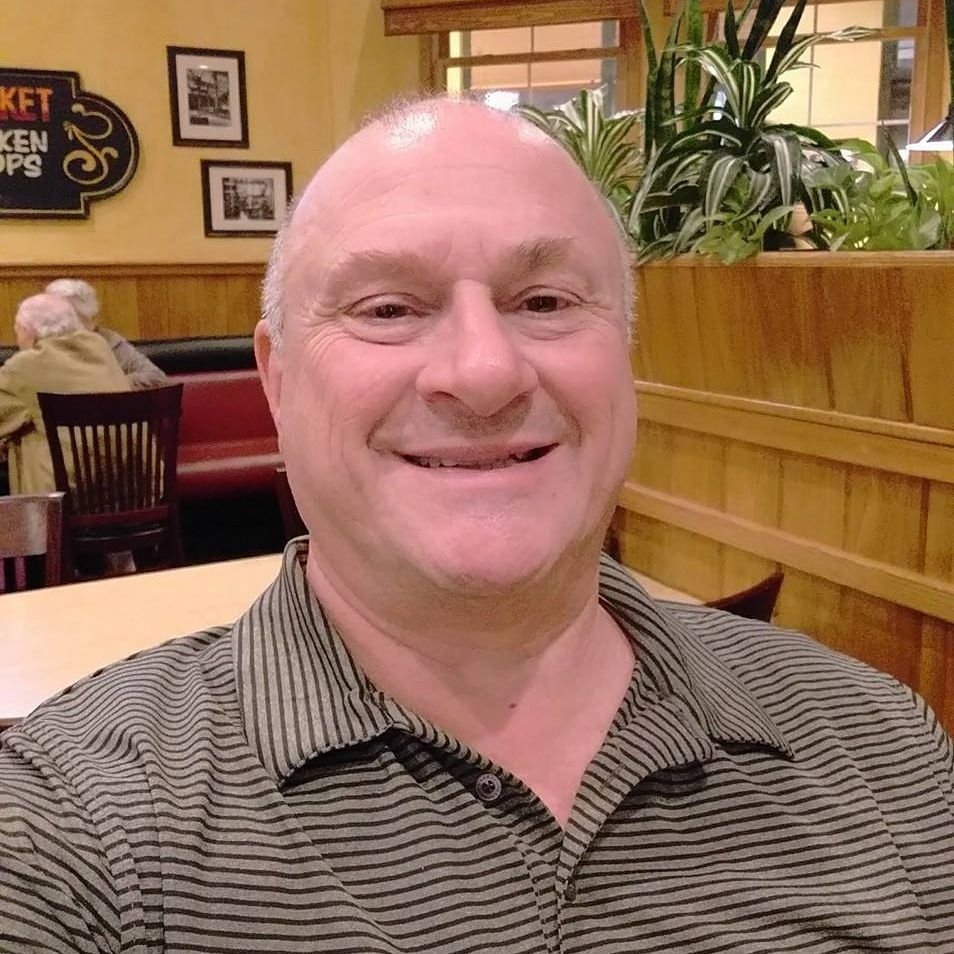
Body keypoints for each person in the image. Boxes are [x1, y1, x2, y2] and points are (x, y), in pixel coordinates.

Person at [1, 98, 952, 953]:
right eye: (388, 309)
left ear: (627, 359)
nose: (484, 372)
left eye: (545, 302)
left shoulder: (884, 742)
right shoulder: (68, 824)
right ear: (278, 381)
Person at [0, 292, 130, 493]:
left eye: (17, 330)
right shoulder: (100, 349)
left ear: (30, 332)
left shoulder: (25, 367)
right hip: (131, 492)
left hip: (65, 498)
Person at [45, 277, 168, 390]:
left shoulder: (109, 341)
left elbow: (155, 377)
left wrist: (106, 386)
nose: (60, 328)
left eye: (71, 320)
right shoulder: (39, 347)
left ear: (92, 321)